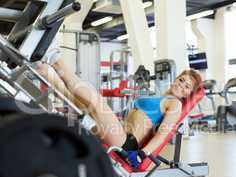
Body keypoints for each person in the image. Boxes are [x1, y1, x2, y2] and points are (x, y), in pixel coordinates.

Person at [37, 43, 202, 167]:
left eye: (187, 86)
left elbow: (162, 134)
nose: (181, 85)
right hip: (119, 132)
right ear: (176, 78)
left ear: (188, 93)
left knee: (96, 100)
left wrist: (143, 154)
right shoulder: (163, 96)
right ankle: (43, 68)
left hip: (126, 142)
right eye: (181, 80)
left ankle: (55, 57)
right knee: (74, 99)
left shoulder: (175, 104)